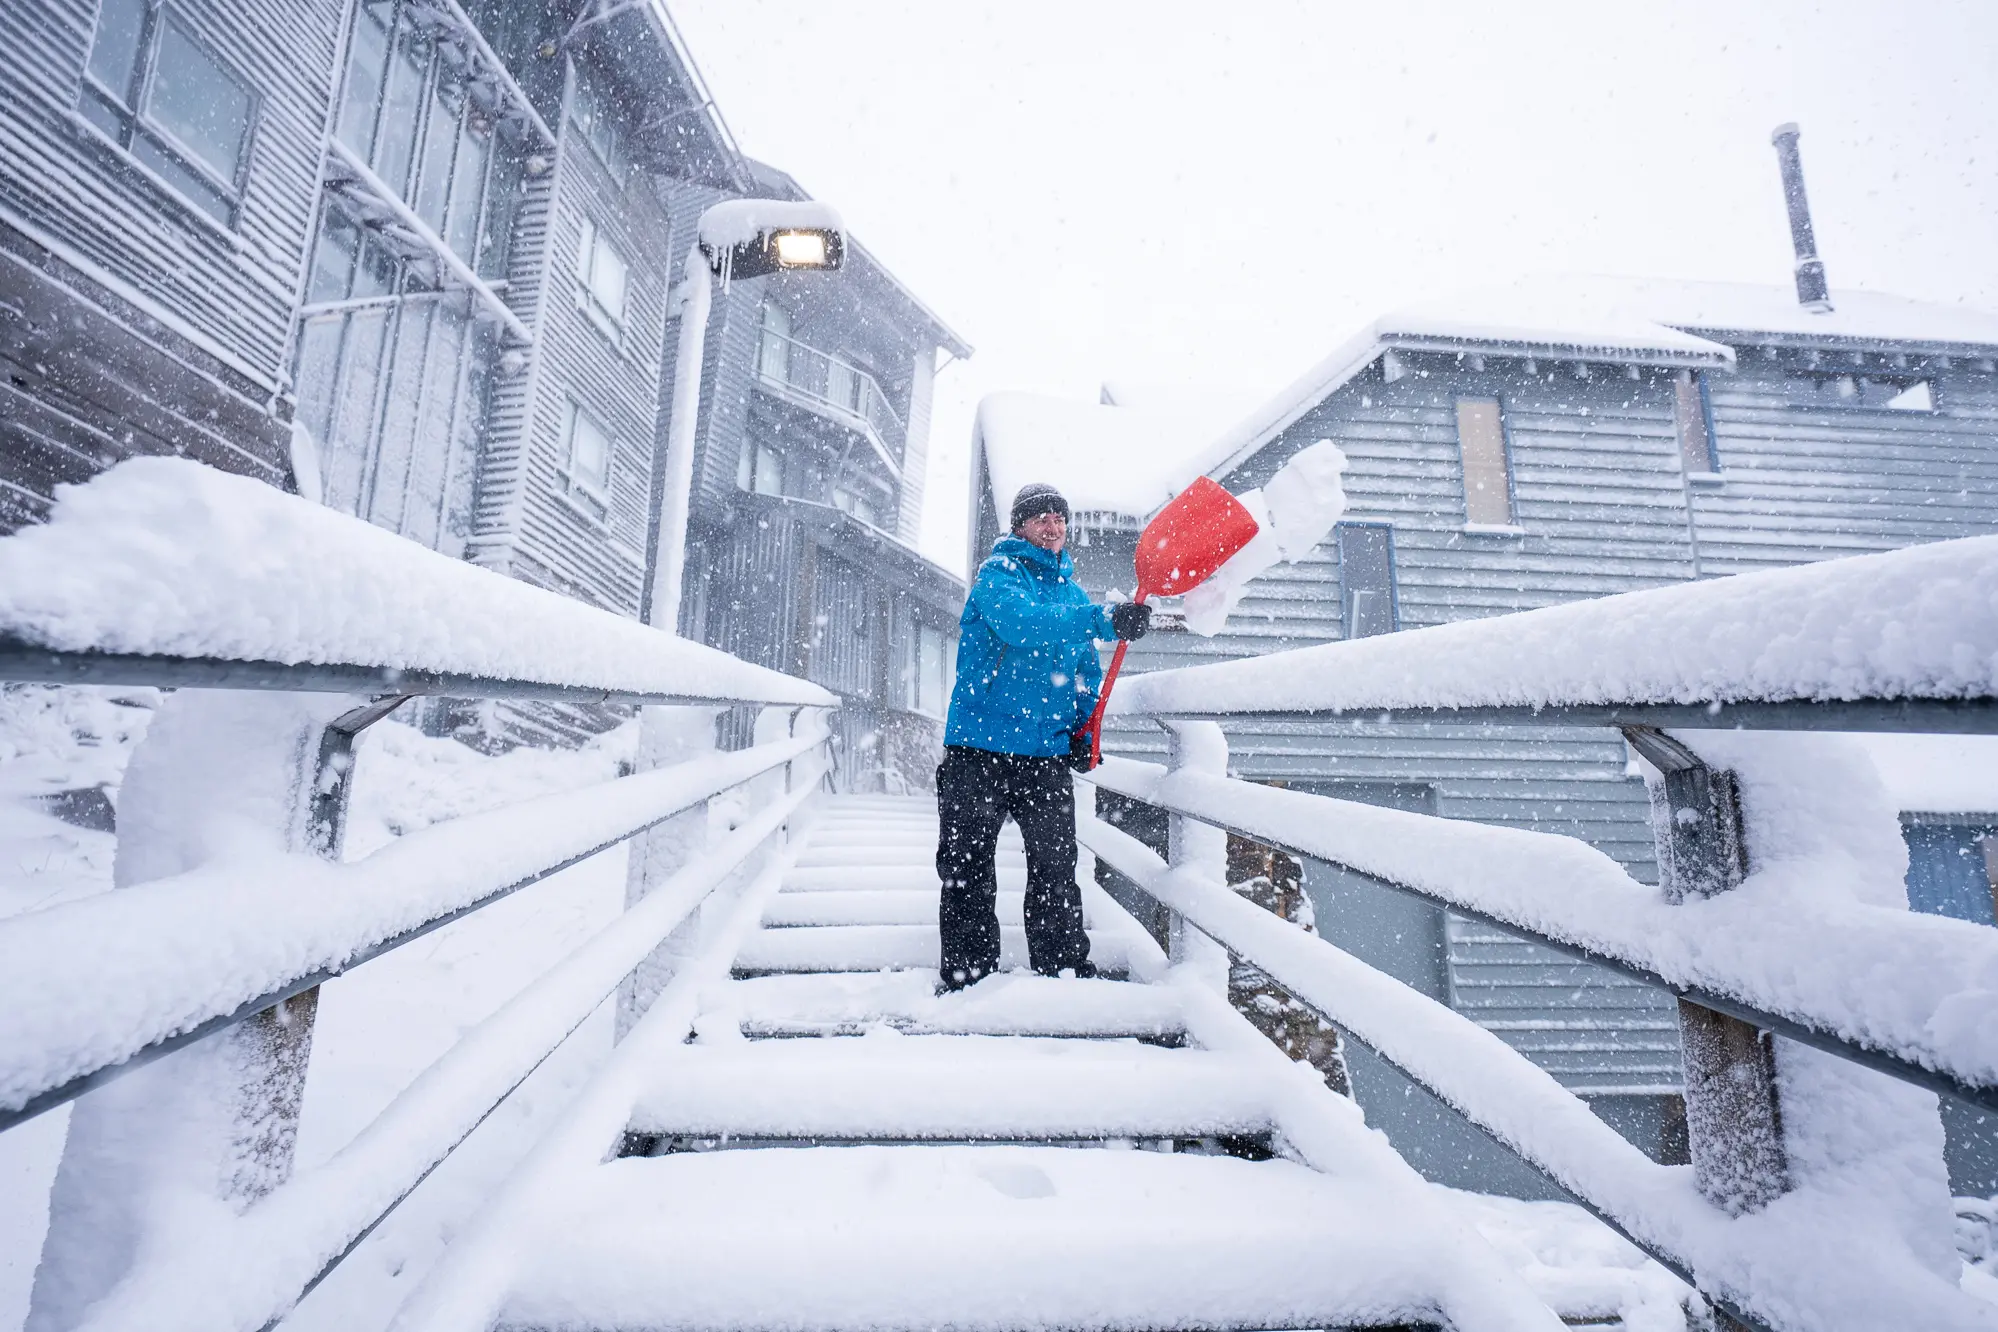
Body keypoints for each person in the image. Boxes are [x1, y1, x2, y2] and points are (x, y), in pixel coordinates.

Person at [935, 482, 1152, 992]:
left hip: (1044, 754)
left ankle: (1064, 973)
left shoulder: (1072, 595)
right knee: (967, 869)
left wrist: (1083, 726)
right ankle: (969, 978)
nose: (1053, 527)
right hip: (978, 749)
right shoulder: (997, 579)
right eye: (1041, 518)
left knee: (1056, 869)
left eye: (1060, 518)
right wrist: (1102, 619)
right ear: (1019, 527)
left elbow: (1082, 673)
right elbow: (1022, 626)